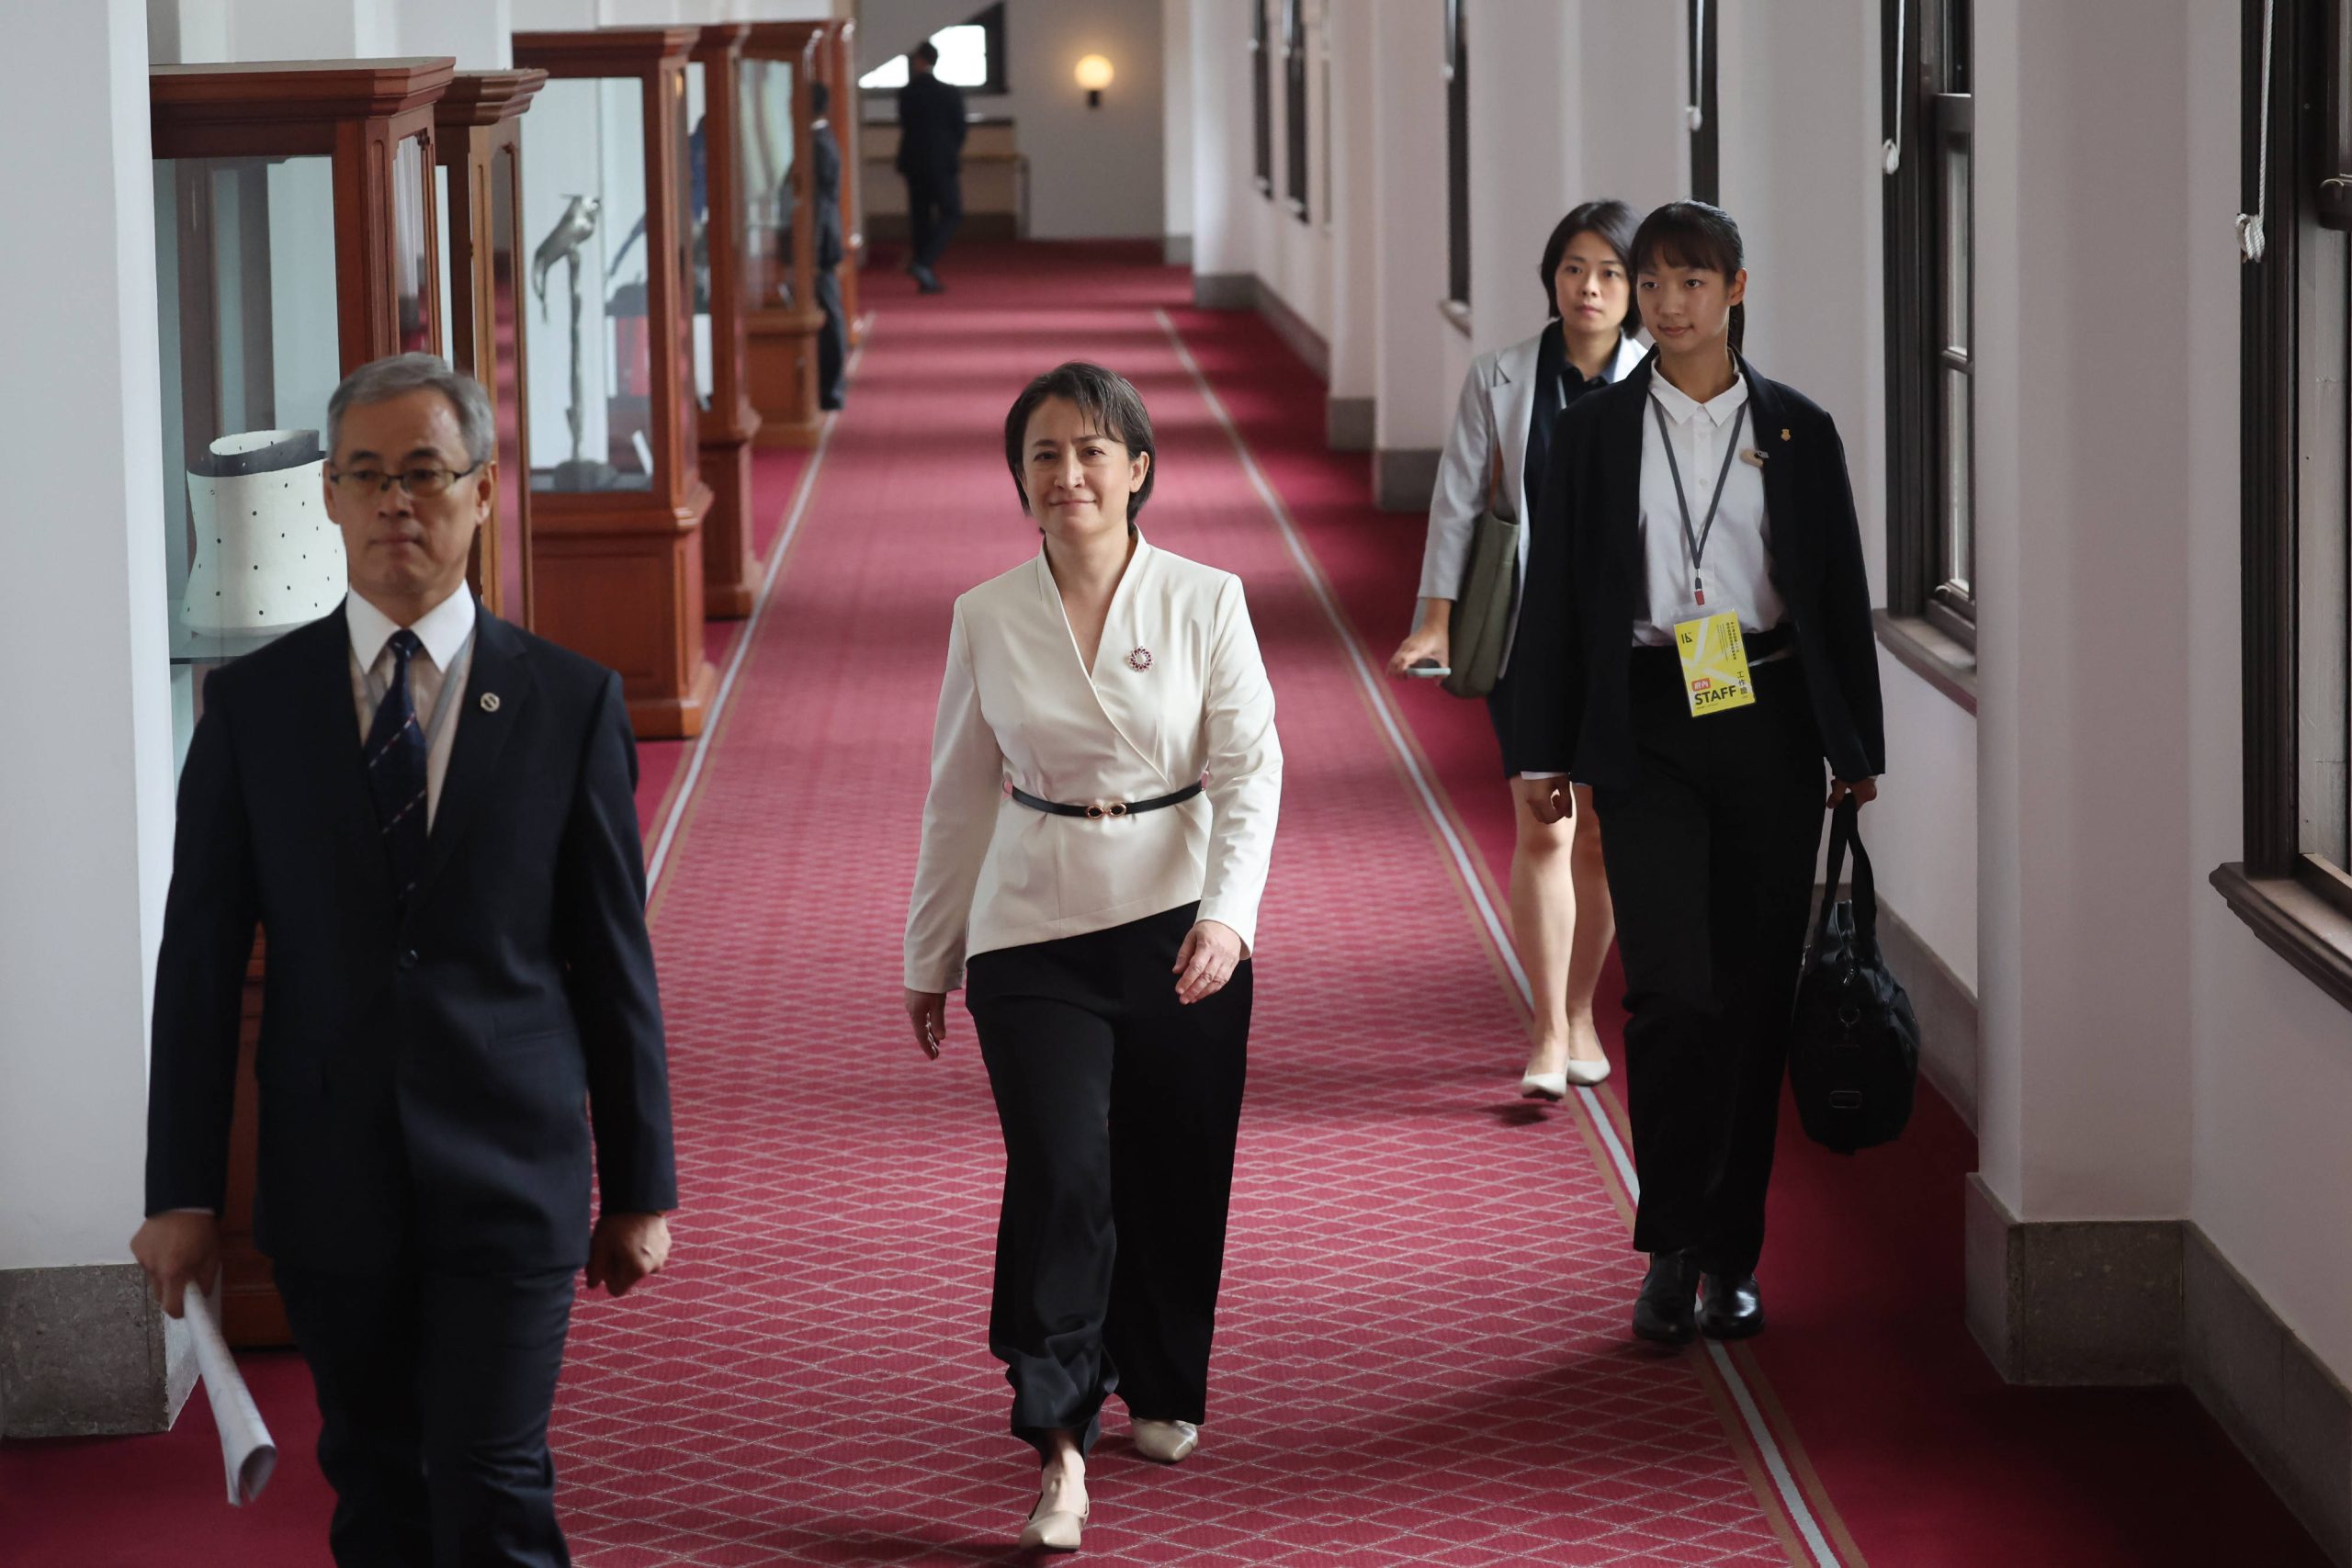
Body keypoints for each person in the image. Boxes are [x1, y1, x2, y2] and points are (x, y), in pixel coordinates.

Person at [131, 354, 678, 1566]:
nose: (396, 504)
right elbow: (203, 959)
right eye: (367, 475)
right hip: (335, 1178)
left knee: (490, 1480)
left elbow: (611, 958)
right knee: (378, 1482)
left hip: (512, 1166)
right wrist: (181, 1191)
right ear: (326, 494)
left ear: (484, 490)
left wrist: (642, 1180)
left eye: (425, 473)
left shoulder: (571, 703)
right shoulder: (253, 709)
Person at [902, 362, 1281, 1552]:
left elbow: (1250, 770)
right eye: (1045, 455)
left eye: (1092, 452)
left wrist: (1230, 913)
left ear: (1139, 469)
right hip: (1034, 926)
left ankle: (1162, 1375)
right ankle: (1057, 1431)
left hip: (1180, 918)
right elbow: (958, 793)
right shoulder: (986, 613)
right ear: (1019, 478)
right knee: (1064, 1167)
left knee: (1175, 1162)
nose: (1069, 474)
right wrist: (933, 950)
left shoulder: (1207, 598)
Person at [1510, 202, 1884, 1348]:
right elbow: (1559, 597)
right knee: (1672, 991)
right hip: (1647, 719)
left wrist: (1854, 751)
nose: (1666, 304)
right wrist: (1546, 747)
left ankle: (1731, 1255)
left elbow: (1831, 595)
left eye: (1688, 282)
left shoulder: (1798, 431)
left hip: (1767, 718)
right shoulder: (1590, 432)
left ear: (1734, 289)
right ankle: (1670, 1243)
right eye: (1648, 283)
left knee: (1755, 994)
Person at [1390, 199, 1645, 1101]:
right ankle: (1544, 1028)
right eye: (1574, 268)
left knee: (1605, 842)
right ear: (1551, 279)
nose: (1590, 287)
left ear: (1637, 290)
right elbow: (1457, 501)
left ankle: (1579, 1010)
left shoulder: (1669, 381)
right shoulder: (1500, 377)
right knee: (1547, 827)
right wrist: (1436, 618)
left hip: (1628, 649)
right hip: (1532, 636)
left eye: (1611, 272)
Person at [895, 39, 967, 293]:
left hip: (913, 162)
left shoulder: (907, 92)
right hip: (941, 162)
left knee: (920, 217)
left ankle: (924, 273)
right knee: (952, 212)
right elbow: (960, 129)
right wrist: (949, 152)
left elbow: (904, 124)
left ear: (919, 61)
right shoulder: (949, 92)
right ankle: (923, 264)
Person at [808, 80, 848, 410]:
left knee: (830, 313)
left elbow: (820, 203)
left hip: (821, 243)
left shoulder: (818, 143)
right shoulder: (819, 138)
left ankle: (832, 386)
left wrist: (812, 250)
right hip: (821, 239)